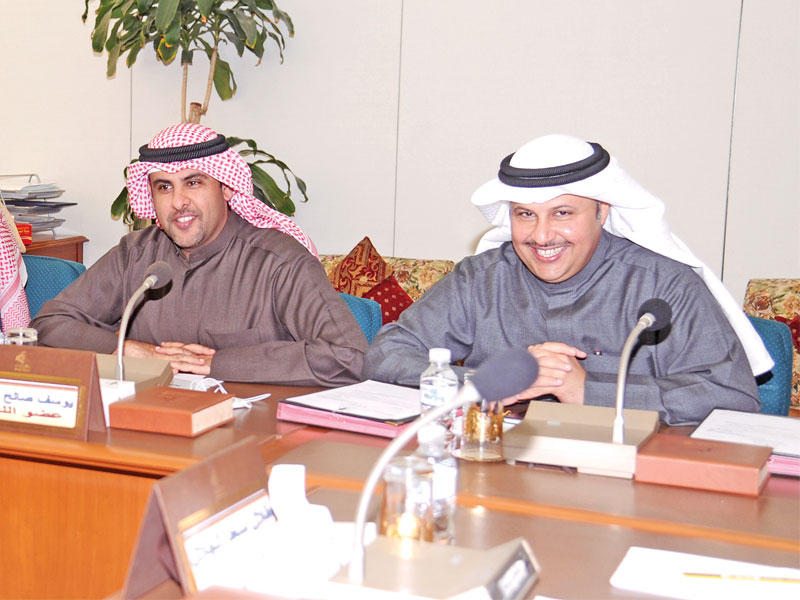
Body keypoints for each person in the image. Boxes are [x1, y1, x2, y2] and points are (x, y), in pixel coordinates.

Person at [363, 134, 771, 425]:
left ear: (602, 212)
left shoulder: (664, 285)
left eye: (562, 213)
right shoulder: (481, 279)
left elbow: (732, 397)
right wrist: (487, 384)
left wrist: (585, 390)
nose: (542, 236)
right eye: (525, 215)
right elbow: (386, 354)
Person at [31, 123, 367, 386]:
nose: (178, 202)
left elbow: (349, 356)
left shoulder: (279, 261)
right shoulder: (135, 254)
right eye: (164, 187)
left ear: (226, 187)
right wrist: (129, 350)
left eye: (193, 183)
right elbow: (49, 323)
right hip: (149, 423)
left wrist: (217, 363)